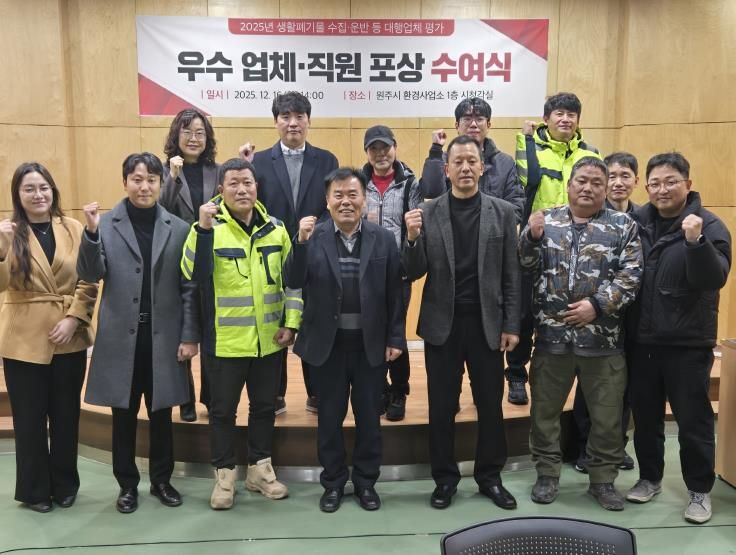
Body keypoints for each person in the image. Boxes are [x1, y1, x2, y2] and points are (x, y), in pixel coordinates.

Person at [77, 152, 199, 514]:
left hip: (163, 338)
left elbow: (188, 287)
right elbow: (90, 273)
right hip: (121, 339)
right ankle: (127, 485)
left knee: (162, 414)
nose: (144, 186)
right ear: (125, 182)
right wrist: (91, 233)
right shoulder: (106, 224)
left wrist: (189, 335)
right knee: (123, 415)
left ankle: (162, 480)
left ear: (161, 184)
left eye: (151, 180)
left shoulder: (179, 228)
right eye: (137, 179)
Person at [403, 135, 521, 510]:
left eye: (472, 161)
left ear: (482, 167)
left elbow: (512, 274)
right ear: (446, 169)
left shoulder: (503, 212)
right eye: (459, 162)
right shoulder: (429, 211)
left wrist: (512, 324)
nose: (466, 167)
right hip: (443, 325)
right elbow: (413, 271)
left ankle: (490, 477)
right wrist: (411, 239)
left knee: (490, 406)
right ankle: (444, 480)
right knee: (441, 407)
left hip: (488, 324)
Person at [519, 156, 642, 511]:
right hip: (552, 340)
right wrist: (531, 238)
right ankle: (547, 474)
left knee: (607, 418)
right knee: (544, 413)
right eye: (582, 181)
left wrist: (597, 306)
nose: (588, 188)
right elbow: (524, 265)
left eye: (596, 183)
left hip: (603, 342)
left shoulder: (623, 225)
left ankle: (602, 480)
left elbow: (631, 276)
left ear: (605, 189)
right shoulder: (547, 220)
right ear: (570, 184)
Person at [181, 158, 302, 509]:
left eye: (247, 182)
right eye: (233, 183)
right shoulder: (206, 228)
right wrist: (203, 230)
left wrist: (291, 323)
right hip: (225, 342)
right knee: (223, 413)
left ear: (256, 187)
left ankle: (260, 471)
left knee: (264, 408)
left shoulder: (276, 229)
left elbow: (293, 283)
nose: (241, 189)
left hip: (269, 342)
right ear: (221, 190)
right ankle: (224, 477)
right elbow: (191, 273)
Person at [284, 167, 405, 513]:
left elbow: (395, 293)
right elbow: (293, 279)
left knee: (369, 418)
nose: (346, 202)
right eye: (338, 195)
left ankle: (366, 483)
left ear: (364, 199)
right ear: (327, 201)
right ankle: (333, 483)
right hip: (328, 346)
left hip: (370, 346)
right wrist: (300, 243)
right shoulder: (313, 236)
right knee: (329, 419)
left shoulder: (383, 238)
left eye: (353, 194)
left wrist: (396, 336)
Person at [625, 152, 731, 524]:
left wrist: (695, 242)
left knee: (693, 422)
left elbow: (714, 278)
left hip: (687, 344)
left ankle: (699, 491)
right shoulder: (636, 222)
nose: (662, 189)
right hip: (642, 341)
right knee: (645, 419)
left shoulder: (709, 225)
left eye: (671, 181)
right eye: (655, 183)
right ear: (646, 187)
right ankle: (649, 478)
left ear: (688, 183)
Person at [0, 162, 97, 513]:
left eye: (43, 187)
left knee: (66, 416)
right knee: (29, 420)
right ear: (18, 194)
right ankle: (34, 490)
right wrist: (1, 249)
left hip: (69, 338)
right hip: (22, 340)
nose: (38, 194)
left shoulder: (73, 228)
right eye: (29, 188)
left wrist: (74, 318)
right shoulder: (8, 231)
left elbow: (89, 277)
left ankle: (65, 484)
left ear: (53, 191)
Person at [240, 92, 339, 414]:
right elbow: (249, 206)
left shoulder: (327, 160)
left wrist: (313, 236)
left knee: (313, 318)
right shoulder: (259, 162)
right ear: (275, 122)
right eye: (285, 117)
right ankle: (274, 392)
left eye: (299, 117)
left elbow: (332, 205)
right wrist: (243, 166)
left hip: (316, 252)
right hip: (271, 255)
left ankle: (317, 391)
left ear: (309, 121)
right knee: (275, 319)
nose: (293, 123)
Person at [508, 92, 602, 406]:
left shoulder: (590, 153)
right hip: (537, 242)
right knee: (524, 313)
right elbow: (521, 186)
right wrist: (526, 140)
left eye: (571, 114)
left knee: (569, 311)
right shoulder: (529, 146)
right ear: (546, 118)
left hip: (582, 246)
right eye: (559, 113)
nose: (565, 119)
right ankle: (517, 375)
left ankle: (563, 382)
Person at [361, 125, 442, 421]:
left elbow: (424, 214)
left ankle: (399, 390)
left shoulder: (410, 183)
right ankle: (379, 387)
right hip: (364, 274)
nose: (380, 154)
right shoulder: (358, 183)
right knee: (369, 331)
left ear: (394, 147)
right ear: (367, 152)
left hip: (398, 273)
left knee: (394, 330)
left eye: (385, 147)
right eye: (374, 149)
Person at [572, 152, 639, 474]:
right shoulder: (588, 215)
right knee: (588, 387)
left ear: (636, 181)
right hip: (592, 320)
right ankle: (585, 447)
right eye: (612, 176)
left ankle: (615, 446)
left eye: (625, 175)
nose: (618, 182)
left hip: (632, 317)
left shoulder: (642, 219)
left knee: (620, 388)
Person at [160, 108, 220, 422]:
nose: (194, 138)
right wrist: (172, 177)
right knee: (181, 330)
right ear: (176, 135)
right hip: (177, 258)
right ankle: (185, 399)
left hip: (210, 257)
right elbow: (159, 209)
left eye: (199, 132)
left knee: (210, 328)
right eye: (187, 132)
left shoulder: (217, 171)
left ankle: (211, 397)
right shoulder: (163, 170)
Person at [420, 97, 524, 223]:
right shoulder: (443, 160)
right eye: (467, 119)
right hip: (451, 231)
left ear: (488, 125)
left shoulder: (505, 163)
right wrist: (436, 150)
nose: (473, 124)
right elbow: (430, 193)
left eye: (479, 119)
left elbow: (516, 207)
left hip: (492, 232)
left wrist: (484, 225)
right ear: (457, 125)